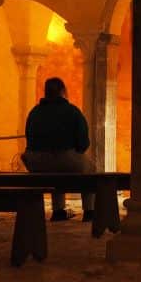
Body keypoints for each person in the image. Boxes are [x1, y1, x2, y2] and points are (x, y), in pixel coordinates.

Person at [21, 77, 96, 222]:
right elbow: (83, 144)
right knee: (91, 169)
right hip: (64, 159)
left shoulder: (34, 112)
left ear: (46, 92)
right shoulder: (72, 112)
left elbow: (29, 138)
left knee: (55, 171)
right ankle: (89, 211)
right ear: (63, 91)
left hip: (36, 162)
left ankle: (58, 211)